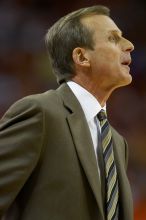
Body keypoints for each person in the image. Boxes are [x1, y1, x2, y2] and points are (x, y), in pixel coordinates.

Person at [0, 5, 134, 220]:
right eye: (113, 38)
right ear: (82, 57)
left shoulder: (117, 142)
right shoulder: (41, 112)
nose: (129, 45)